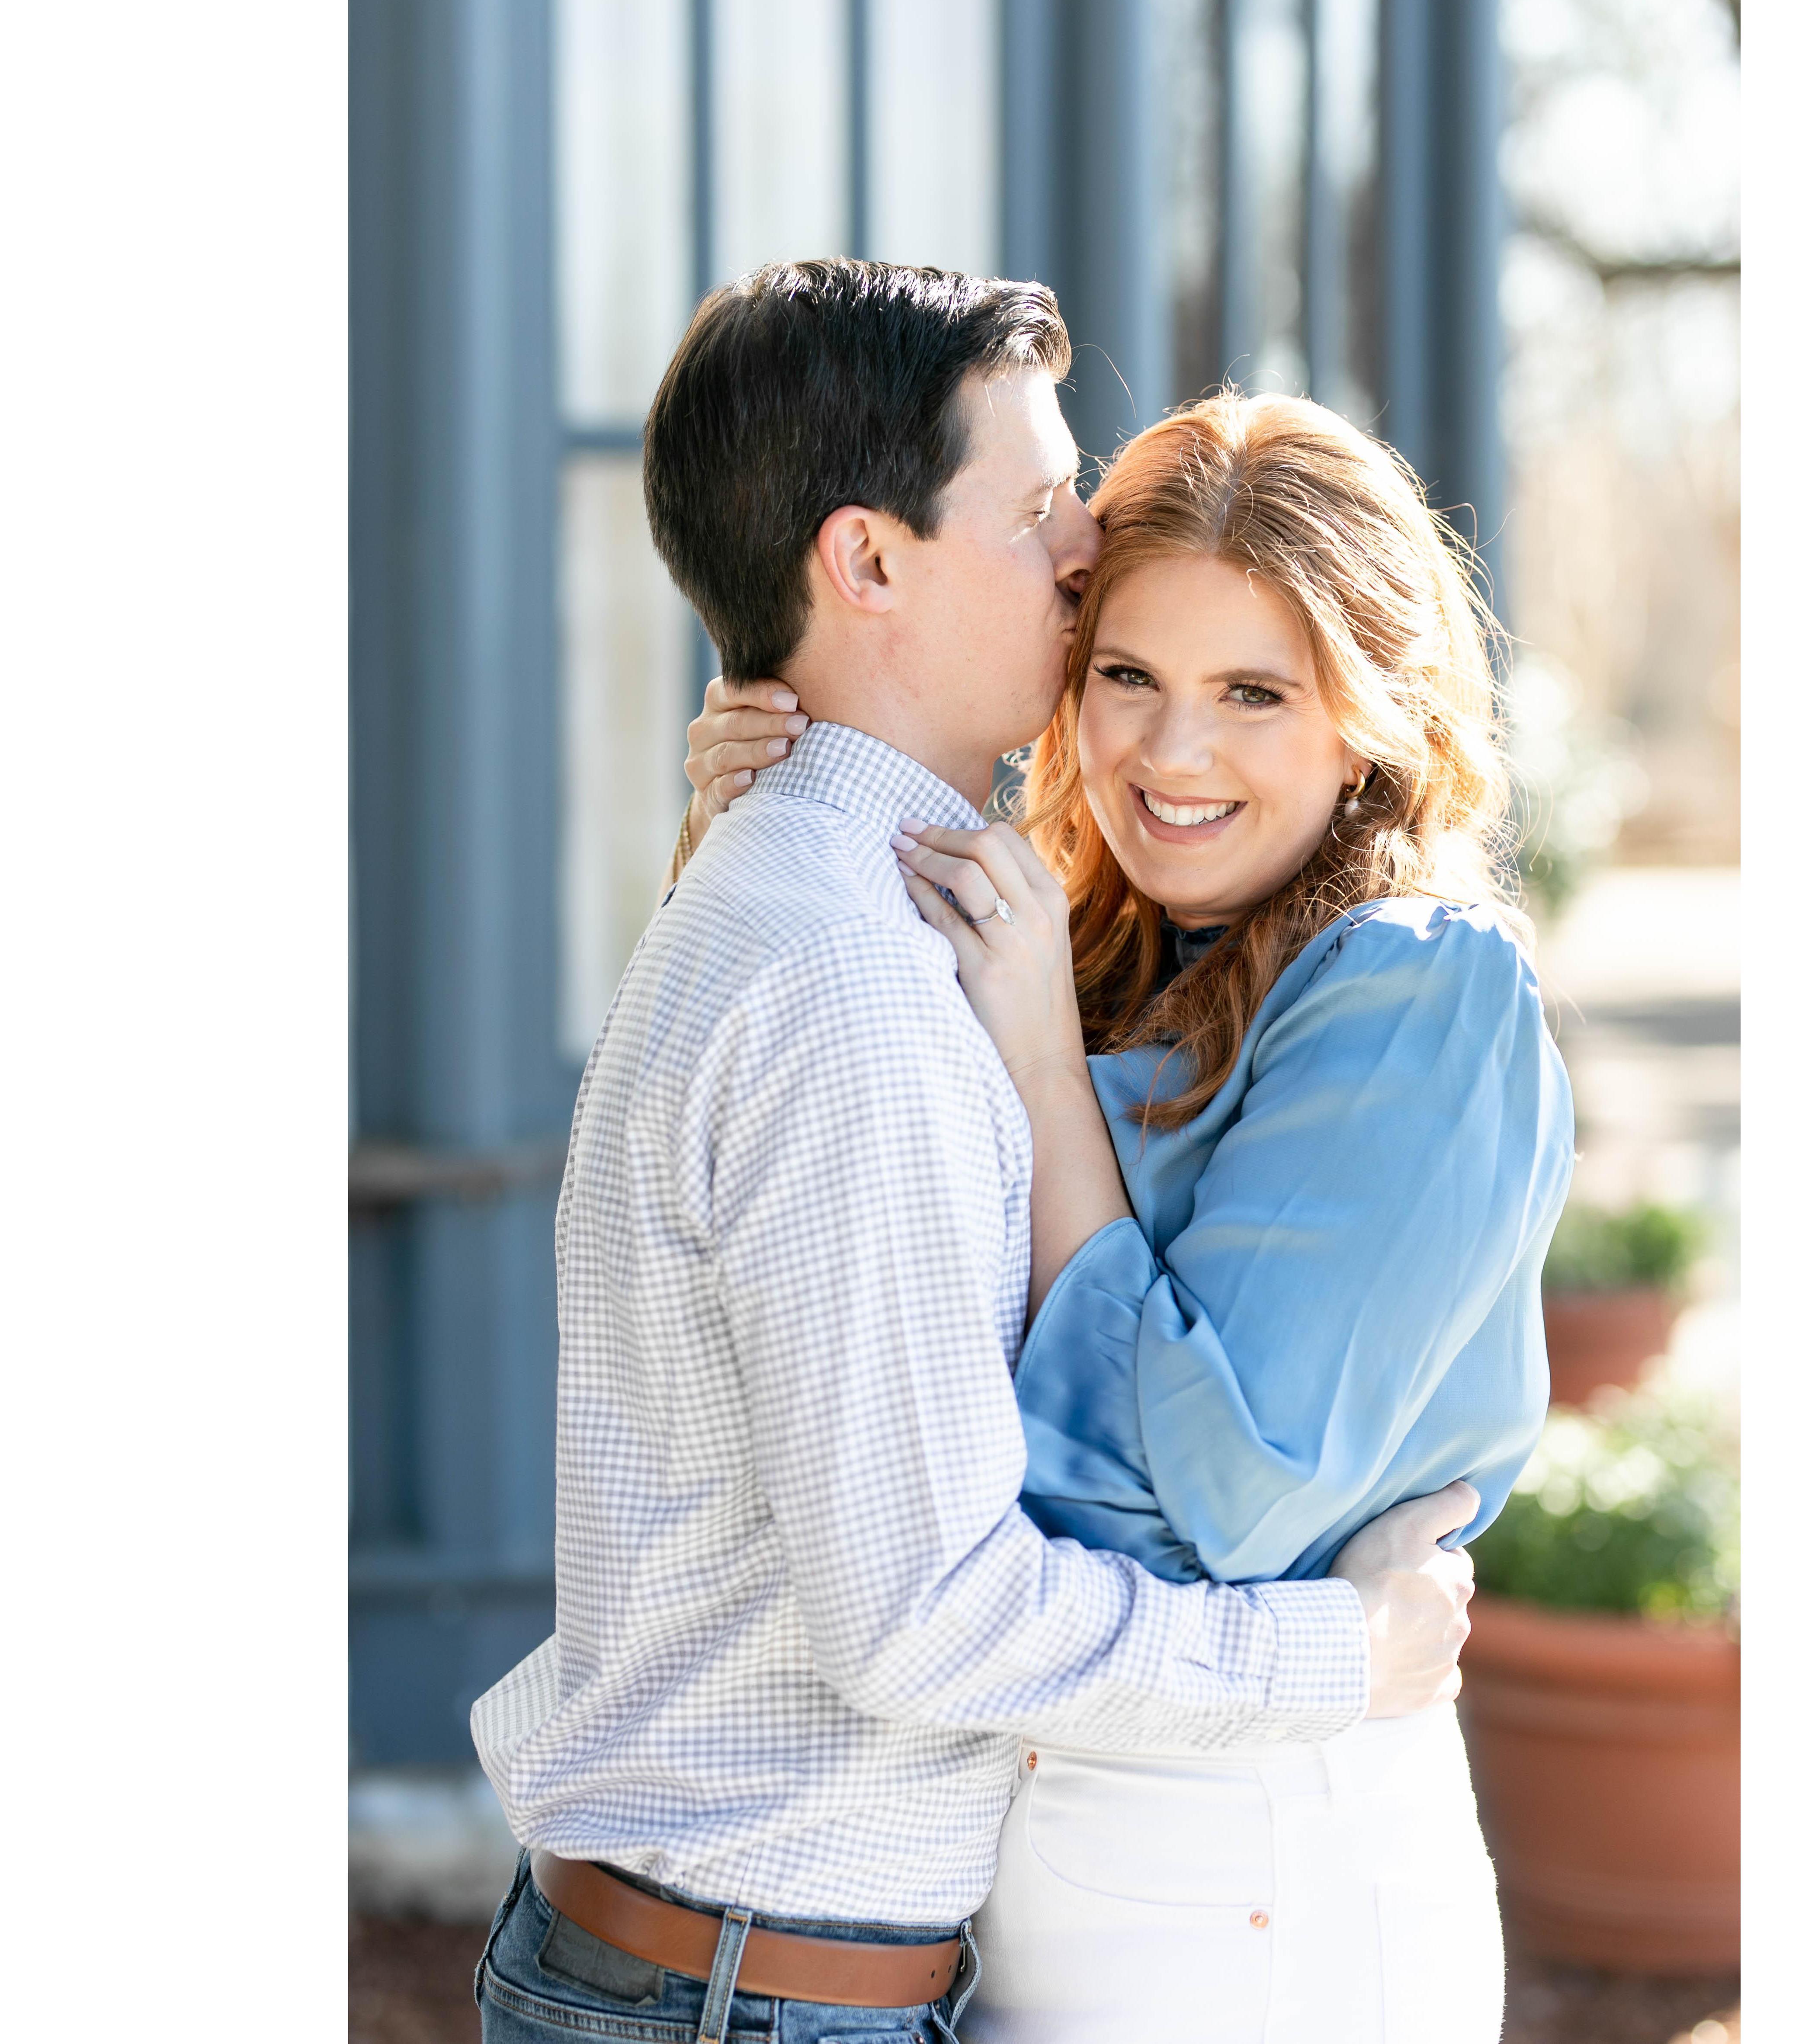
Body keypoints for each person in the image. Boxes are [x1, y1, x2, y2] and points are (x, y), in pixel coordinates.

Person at [469, 261, 1488, 2044]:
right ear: (867, 562)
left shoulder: (838, 900)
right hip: (751, 1992)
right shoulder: (851, 979)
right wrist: (1345, 1651)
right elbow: (928, 1617)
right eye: (1036, 511)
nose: (1085, 549)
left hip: (745, 1971)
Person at [672, 388, 1575, 2040]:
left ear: (1368, 714)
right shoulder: (1080, 944)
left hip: (1261, 1871)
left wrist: (1038, 1073)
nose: (1171, 754)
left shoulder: (1414, 992)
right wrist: (762, 840)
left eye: (1254, 692)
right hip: (1030, 1851)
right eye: (1129, 676)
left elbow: (1212, 1512)